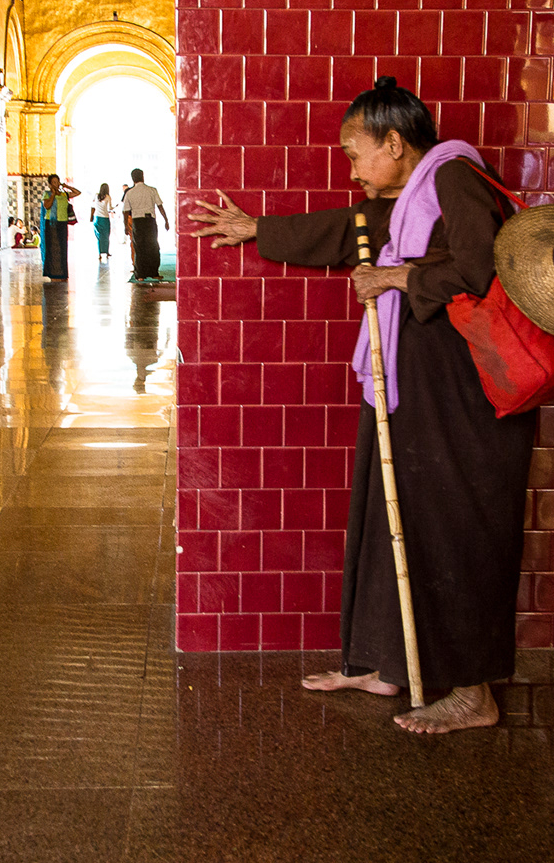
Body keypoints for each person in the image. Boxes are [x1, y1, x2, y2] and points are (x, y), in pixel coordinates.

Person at [187, 77, 532, 735]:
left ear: (395, 144)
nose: (349, 168)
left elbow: (484, 269)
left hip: (460, 400)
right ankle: (387, 665)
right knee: (389, 515)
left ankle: (474, 691)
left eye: (353, 153)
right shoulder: (407, 201)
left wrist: (395, 277)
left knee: (453, 529)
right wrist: (256, 228)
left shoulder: (455, 176)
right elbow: (350, 232)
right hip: (410, 389)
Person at [122, 168, 169, 282]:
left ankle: (140, 274)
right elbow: (160, 206)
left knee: (139, 247)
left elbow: (125, 211)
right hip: (150, 221)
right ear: (143, 176)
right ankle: (154, 273)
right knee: (153, 246)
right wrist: (166, 220)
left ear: (133, 179)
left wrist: (125, 226)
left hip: (137, 222)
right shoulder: (152, 190)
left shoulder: (129, 193)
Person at [41, 173, 79, 280]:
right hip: (51, 224)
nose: (56, 184)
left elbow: (77, 192)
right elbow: (47, 205)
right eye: (53, 182)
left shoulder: (64, 194)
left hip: (62, 223)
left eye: (57, 182)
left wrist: (66, 186)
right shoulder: (47, 194)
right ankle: (53, 273)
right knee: (53, 248)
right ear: (49, 184)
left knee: (62, 248)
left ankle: (62, 273)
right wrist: (53, 195)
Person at [92, 184, 115, 263]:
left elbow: (93, 206)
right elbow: (109, 208)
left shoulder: (96, 196)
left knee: (99, 236)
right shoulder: (108, 197)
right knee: (106, 236)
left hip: (97, 218)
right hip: (105, 218)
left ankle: (100, 253)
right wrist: (115, 207)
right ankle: (106, 252)